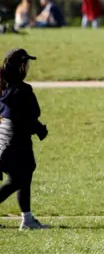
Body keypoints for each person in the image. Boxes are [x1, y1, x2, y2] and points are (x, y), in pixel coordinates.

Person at [0, 48, 49, 230]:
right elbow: (30, 117)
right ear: (22, 66)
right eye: (27, 63)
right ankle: (27, 220)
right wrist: (40, 130)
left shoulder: (5, 89)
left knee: (21, 178)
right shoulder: (23, 90)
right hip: (16, 144)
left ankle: (27, 219)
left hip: (5, 141)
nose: (28, 66)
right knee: (20, 179)